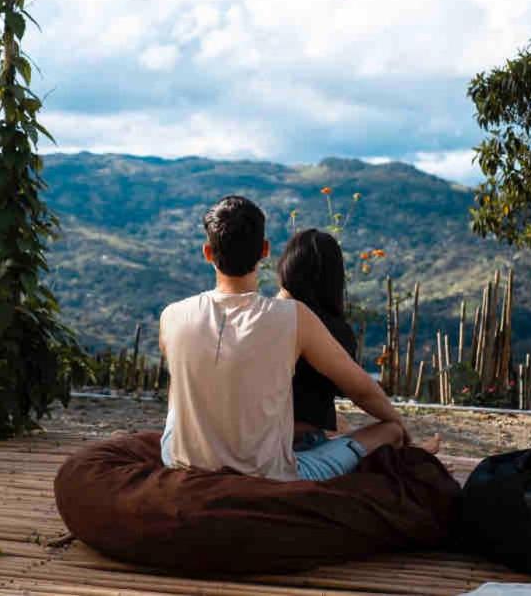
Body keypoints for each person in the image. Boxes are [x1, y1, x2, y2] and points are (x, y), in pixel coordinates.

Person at [159, 195, 438, 482]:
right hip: (268, 472)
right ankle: (406, 444)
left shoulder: (171, 316)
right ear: (265, 250)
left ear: (207, 252)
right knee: (389, 431)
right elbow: (362, 391)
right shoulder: (293, 317)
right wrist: (401, 428)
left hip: (179, 459)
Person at [276, 228, 358, 451]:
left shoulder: (264, 318)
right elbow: (352, 390)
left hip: (260, 438)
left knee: (341, 424)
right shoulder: (335, 330)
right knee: (386, 432)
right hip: (302, 442)